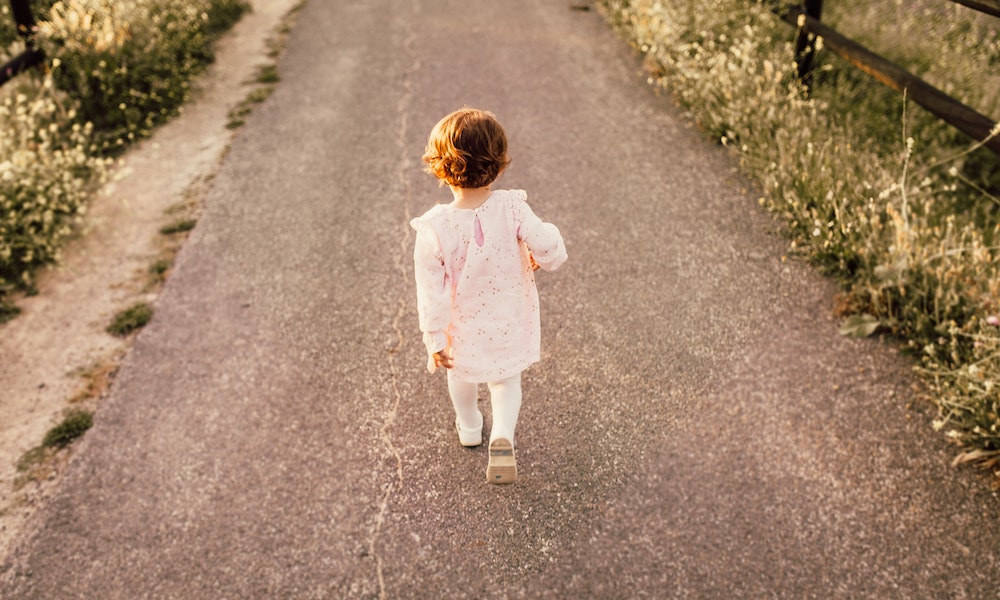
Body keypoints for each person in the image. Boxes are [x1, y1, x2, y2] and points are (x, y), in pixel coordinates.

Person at [411, 108, 567, 485]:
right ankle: (502, 435)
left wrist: (434, 339)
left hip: (461, 326)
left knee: (461, 376)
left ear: (439, 168)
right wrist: (545, 257)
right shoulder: (512, 207)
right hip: (510, 317)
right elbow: (547, 243)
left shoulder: (434, 228)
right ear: (498, 166)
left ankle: (469, 426)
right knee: (505, 381)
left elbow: (430, 291)